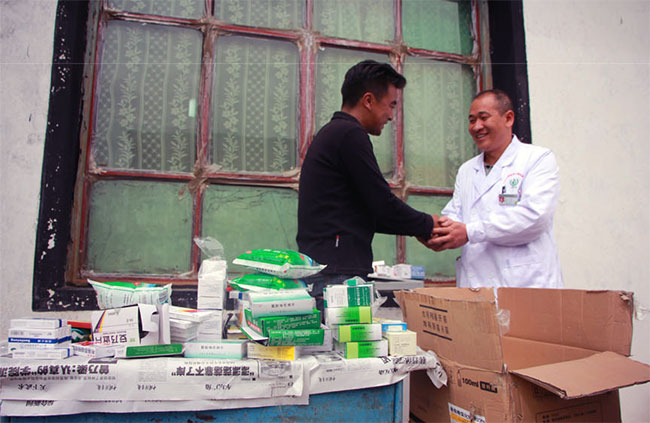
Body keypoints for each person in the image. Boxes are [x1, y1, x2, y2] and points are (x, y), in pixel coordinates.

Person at [297, 60, 437, 313]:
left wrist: (419, 226)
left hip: (328, 271)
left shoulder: (333, 133)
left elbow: (369, 211)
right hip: (336, 276)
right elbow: (382, 203)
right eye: (391, 105)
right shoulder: (349, 135)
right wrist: (429, 225)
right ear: (369, 100)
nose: (391, 116)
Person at [426, 89, 563, 288]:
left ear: (508, 118)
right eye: (472, 120)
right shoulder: (467, 170)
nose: (476, 126)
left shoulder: (537, 159)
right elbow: (456, 215)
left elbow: (535, 217)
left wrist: (469, 232)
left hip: (526, 285)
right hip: (476, 284)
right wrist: (436, 230)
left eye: (484, 118)